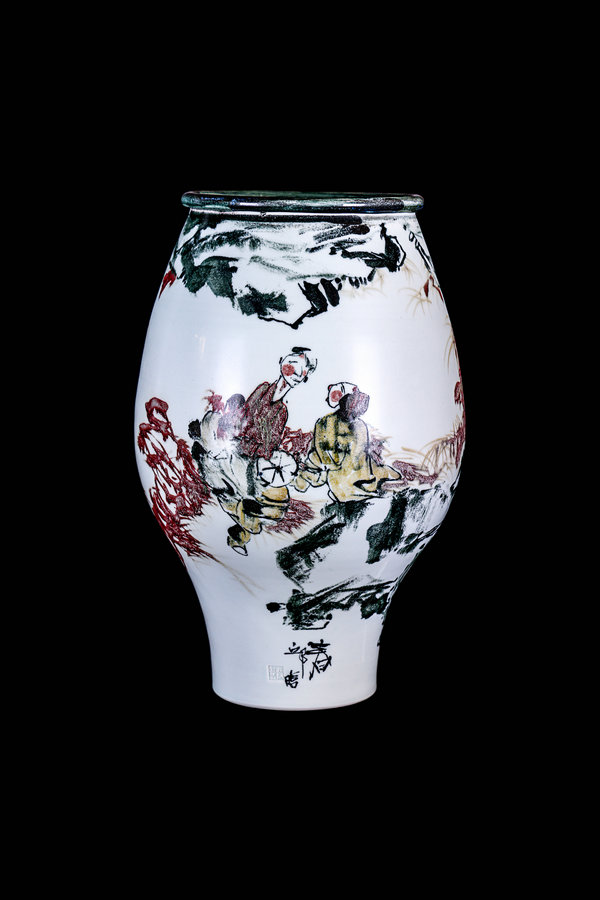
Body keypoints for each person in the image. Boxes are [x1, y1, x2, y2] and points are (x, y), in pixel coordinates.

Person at [295, 387, 401, 502]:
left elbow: (360, 452)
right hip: (336, 467)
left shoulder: (360, 425)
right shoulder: (326, 422)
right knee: (342, 489)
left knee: (384, 475)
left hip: (356, 466)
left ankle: (368, 488)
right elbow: (325, 453)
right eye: (353, 405)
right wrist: (334, 463)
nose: (356, 412)